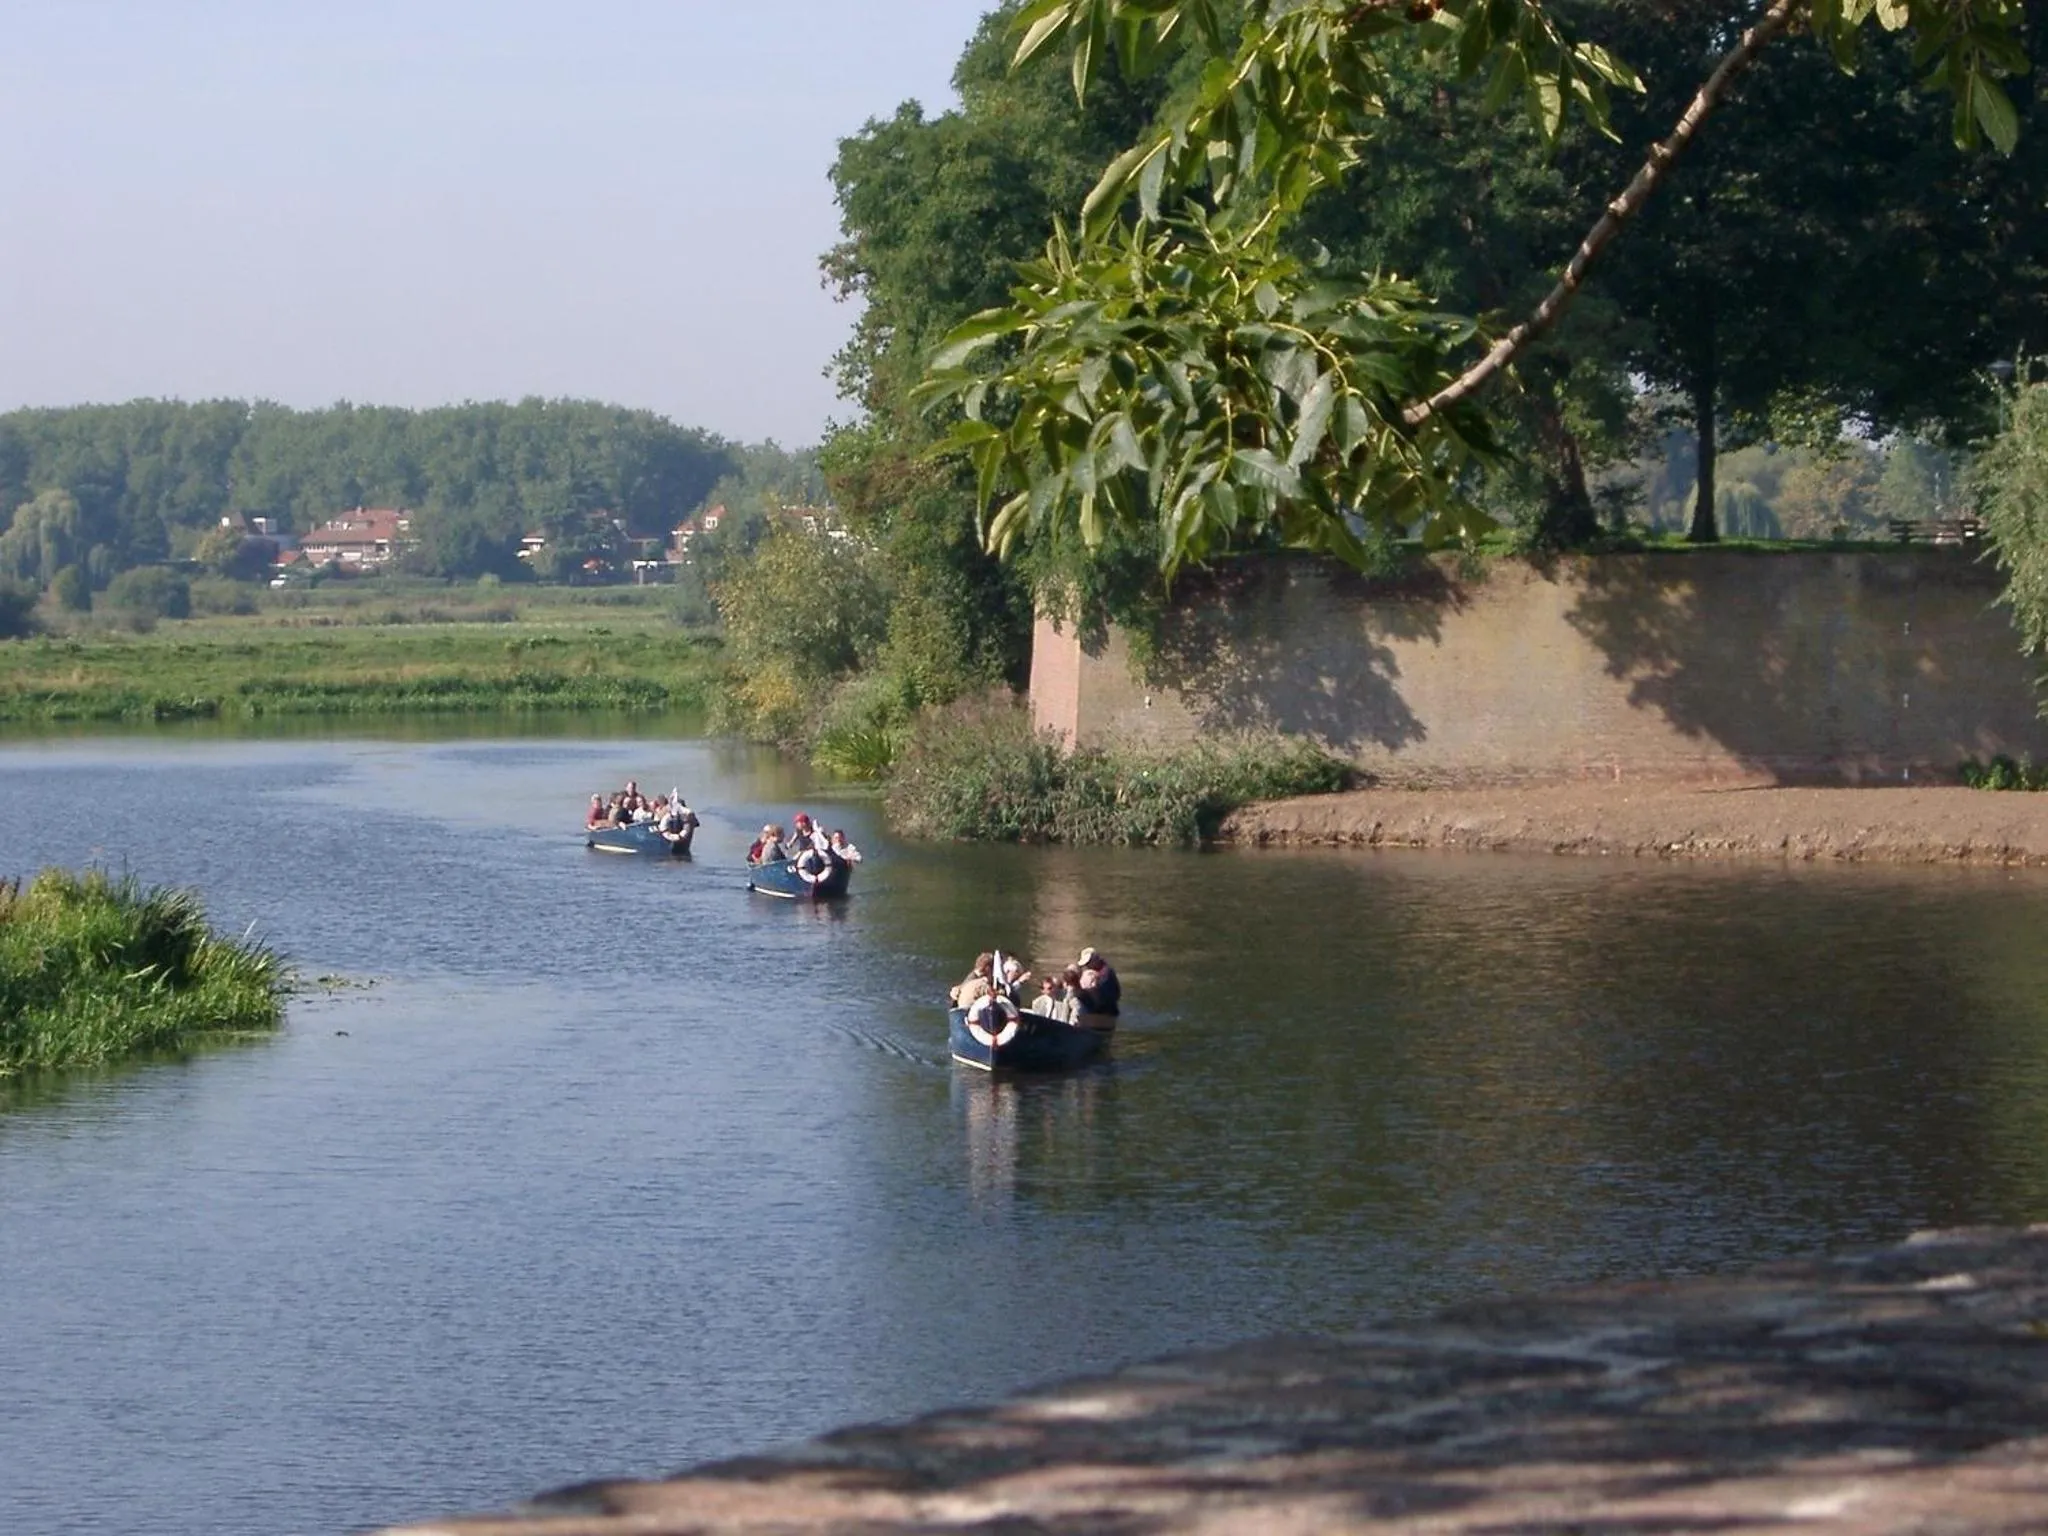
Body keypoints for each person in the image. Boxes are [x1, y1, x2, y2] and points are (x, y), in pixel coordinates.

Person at [1075, 948, 1121, 1017]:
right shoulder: (1097, 971)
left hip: (1106, 1013)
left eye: (1088, 963)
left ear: (1095, 959)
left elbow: (1101, 997)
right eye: (1086, 964)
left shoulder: (1106, 973)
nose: (1086, 966)